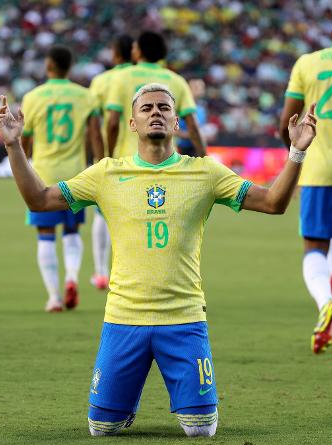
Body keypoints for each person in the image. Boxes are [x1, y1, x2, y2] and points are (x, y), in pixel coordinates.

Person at [0, 83, 316, 436]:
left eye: (164, 108)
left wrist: (297, 153)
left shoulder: (205, 172)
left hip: (184, 319)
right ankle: (122, 404)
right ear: (132, 123)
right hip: (123, 319)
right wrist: (13, 145)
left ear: (177, 122)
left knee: (200, 430)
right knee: (101, 429)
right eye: (146, 108)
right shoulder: (106, 173)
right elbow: (39, 200)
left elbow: (274, 203)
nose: (156, 113)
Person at [280, 9, 332, 355]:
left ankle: (326, 302)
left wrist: (296, 158)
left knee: (315, 246)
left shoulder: (307, 63)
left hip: (319, 169)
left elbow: (287, 119)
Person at [20, 45, 103, 312]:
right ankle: (71, 277)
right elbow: (94, 134)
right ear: (70, 68)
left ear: (48, 66)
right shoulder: (85, 96)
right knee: (72, 231)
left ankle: (54, 297)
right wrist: (100, 164)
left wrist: (23, 165)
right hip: (76, 175)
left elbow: (26, 139)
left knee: (45, 235)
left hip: (42, 175)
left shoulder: (33, 97)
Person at [106, 31, 206, 158]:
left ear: (138, 51)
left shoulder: (122, 77)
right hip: (166, 160)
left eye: (135, 47)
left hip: (130, 159)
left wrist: (108, 157)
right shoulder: (177, 80)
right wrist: (204, 158)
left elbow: (113, 123)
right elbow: (193, 127)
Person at [88, 35, 133, 290]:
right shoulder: (145, 79)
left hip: (113, 156)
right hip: (144, 156)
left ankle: (101, 271)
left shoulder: (102, 81)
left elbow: (95, 125)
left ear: (115, 54)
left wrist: (100, 156)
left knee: (101, 214)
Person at [176, 78, 209, 156]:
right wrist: (190, 135)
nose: (199, 90)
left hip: (197, 148)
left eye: (201, 87)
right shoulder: (180, 106)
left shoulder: (202, 107)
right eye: (196, 87)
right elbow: (171, 129)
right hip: (181, 149)